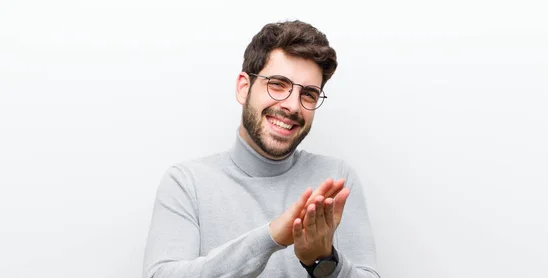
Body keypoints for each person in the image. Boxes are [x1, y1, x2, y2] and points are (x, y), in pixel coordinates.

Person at [142, 20, 380, 278]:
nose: (292, 106)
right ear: (244, 88)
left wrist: (322, 262)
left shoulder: (334, 180)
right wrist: (271, 236)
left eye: (308, 94)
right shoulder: (187, 183)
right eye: (278, 84)